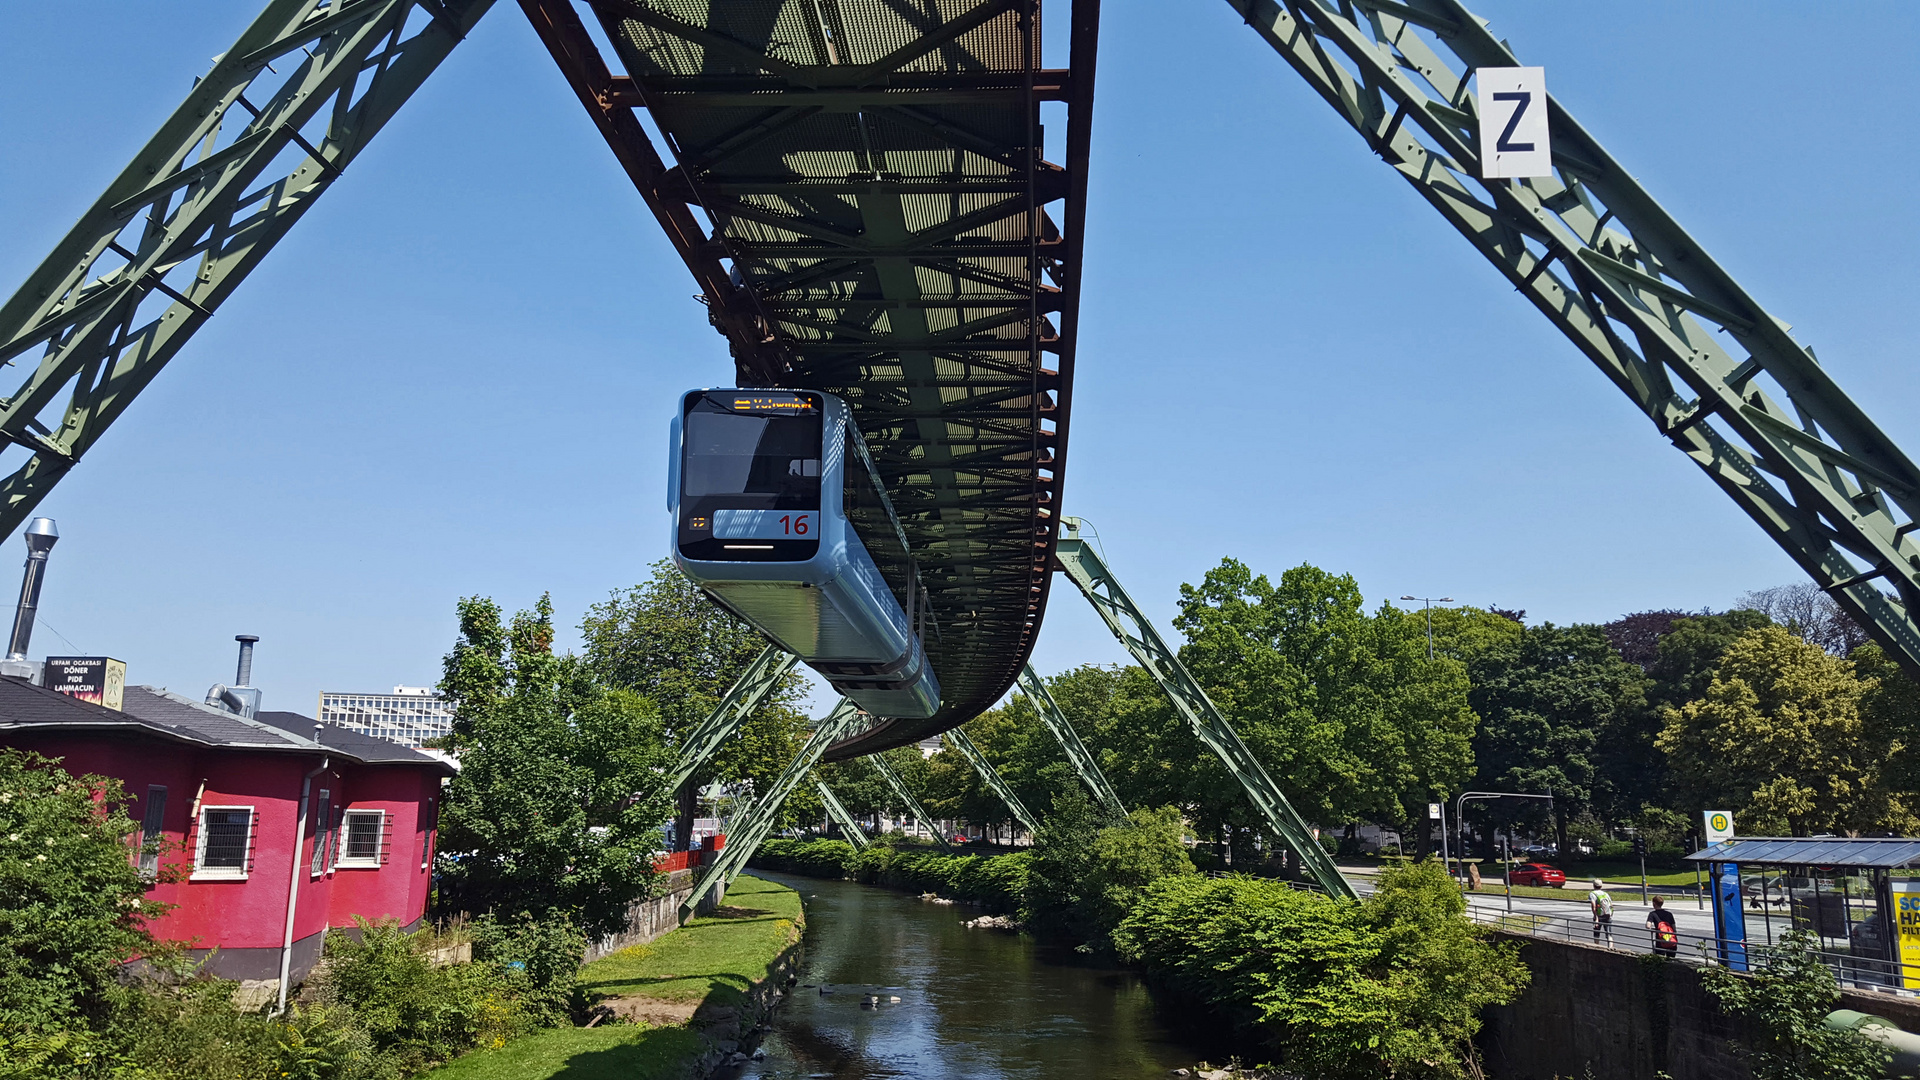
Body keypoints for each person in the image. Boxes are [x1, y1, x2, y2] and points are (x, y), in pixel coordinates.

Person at [1588, 878, 1614, 944]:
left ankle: (1597, 947)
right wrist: (1610, 914)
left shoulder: (1592, 894)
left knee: (1596, 934)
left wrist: (1596, 917)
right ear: (1601, 886)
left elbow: (1593, 906)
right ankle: (1610, 948)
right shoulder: (1605, 894)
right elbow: (1611, 905)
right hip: (1607, 915)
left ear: (1593, 885)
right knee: (1609, 934)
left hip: (1599, 916)